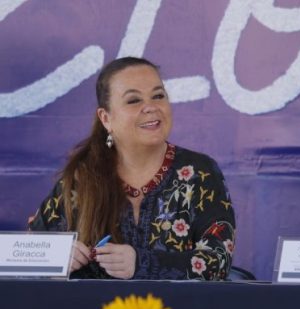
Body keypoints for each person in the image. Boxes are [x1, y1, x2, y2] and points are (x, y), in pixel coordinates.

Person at [28, 57, 235, 280]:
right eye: (134, 100)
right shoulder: (82, 176)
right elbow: (27, 255)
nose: (151, 107)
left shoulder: (200, 172)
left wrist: (143, 263)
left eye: (158, 96)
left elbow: (218, 260)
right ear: (106, 118)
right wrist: (58, 257)